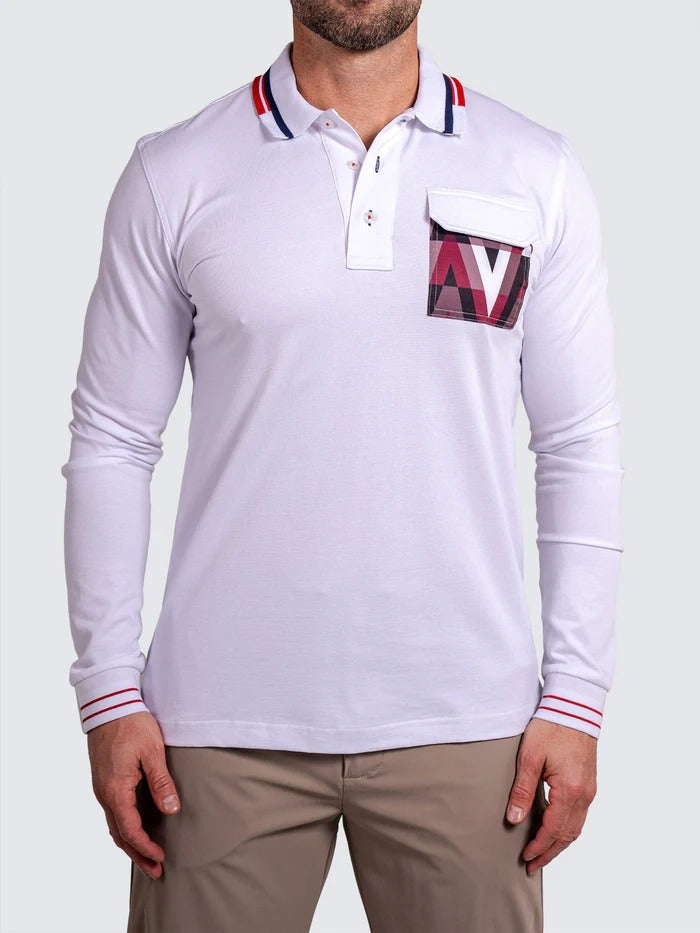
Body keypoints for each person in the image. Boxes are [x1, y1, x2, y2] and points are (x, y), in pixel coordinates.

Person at [60, 1, 624, 930]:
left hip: (469, 719)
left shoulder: (534, 170)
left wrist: (576, 696)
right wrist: (107, 690)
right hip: (216, 725)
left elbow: (578, 443)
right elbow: (114, 439)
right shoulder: (175, 172)